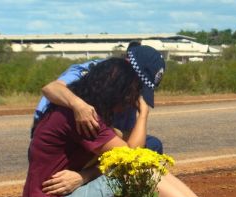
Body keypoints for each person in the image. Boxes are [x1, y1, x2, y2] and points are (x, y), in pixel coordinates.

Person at [22, 46, 236, 197]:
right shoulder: (83, 116)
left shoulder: (90, 113)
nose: (131, 100)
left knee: (148, 158)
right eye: (130, 94)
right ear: (113, 89)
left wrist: (84, 176)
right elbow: (130, 157)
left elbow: (130, 150)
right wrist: (143, 114)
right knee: (141, 171)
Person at [33, 41, 163, 155]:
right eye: (139, 85)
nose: (137, 92)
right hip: (60, 140)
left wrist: (115, 132)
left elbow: (130, 140)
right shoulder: (97, 72)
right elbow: (51, 88)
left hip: (98, 138)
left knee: (152, 145)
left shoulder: (128, 92)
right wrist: (79, 106)